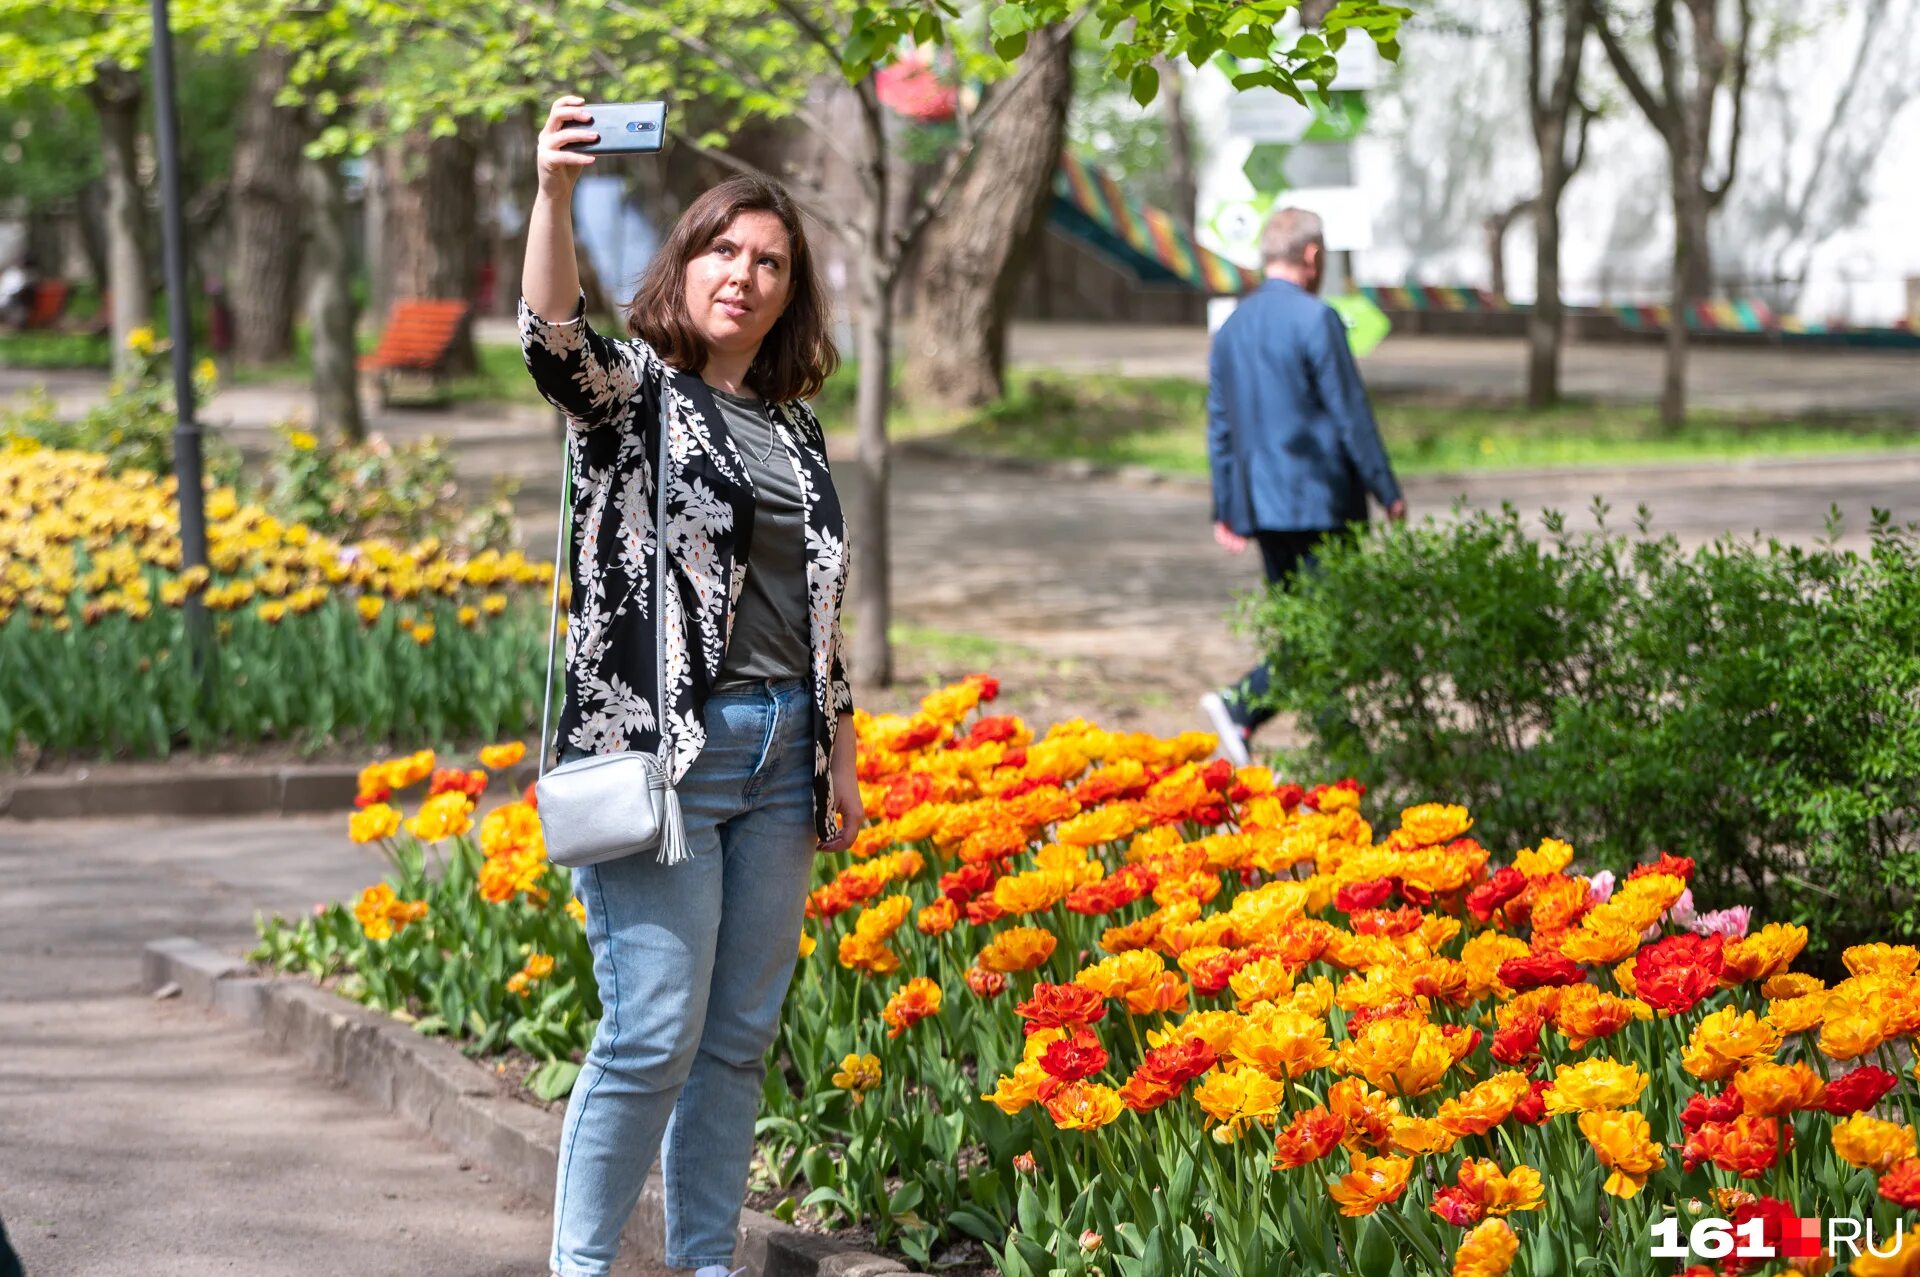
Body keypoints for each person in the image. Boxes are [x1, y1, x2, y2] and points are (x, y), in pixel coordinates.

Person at [519, 95, 861, 1277]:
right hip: (669, 757)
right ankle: (583, 1266)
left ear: (789, 291)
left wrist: (841, 761)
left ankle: (707, 1262)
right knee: (652, 1032)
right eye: (726, 248)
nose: (748, 274)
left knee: (736, 1042)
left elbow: (824, 612)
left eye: (771, 261)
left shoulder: (798, 432)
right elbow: (552, 340)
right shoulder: (634, 400)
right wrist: (555, 192)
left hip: (781, 764)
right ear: (688, 261)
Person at [1198, 207, 1406, 767]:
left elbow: (1220, 423)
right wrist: (1385, 486)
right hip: (1323, 503)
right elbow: (1350, 413)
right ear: (1312, 256)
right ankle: (1241, 705)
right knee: (1328, 630)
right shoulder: (1318, 320)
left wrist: (1227, 507)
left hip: (1264, 508)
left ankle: (1339, 745)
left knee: (1303, 627)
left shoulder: (1232, 327)